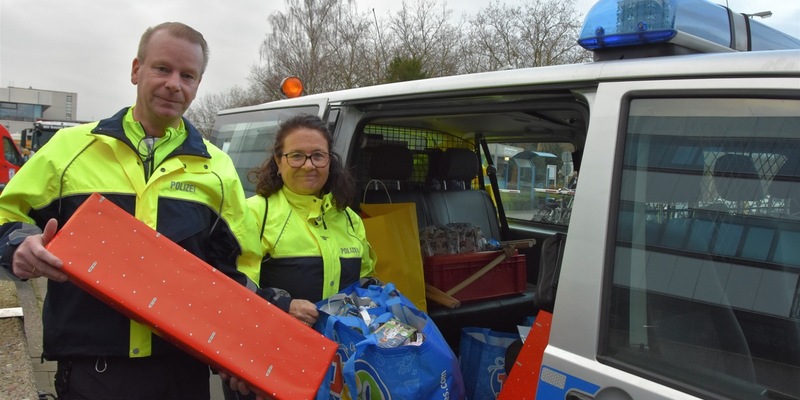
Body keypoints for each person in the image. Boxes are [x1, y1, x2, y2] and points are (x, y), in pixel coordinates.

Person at [0, 22, 261, 400]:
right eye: (162, 69)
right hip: (93, 368)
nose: (175, 83)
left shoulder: (218, 169)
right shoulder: (70, 149)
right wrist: (19, 245)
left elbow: (241, 263)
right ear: (136, 69)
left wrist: (238, 345)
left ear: (198, 85)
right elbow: (6, 213)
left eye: (188, 75)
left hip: (182, 370)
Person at [221, 114, 378, 400]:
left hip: (335, 368)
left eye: (318, 156)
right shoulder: (252, 214)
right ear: (278, 162)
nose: (309, 165)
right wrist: (281, 304)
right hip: (266, 368)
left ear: (330, 161)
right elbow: (227, 291)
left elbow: (363, 282)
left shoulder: (351, 219)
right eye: (296, 156)